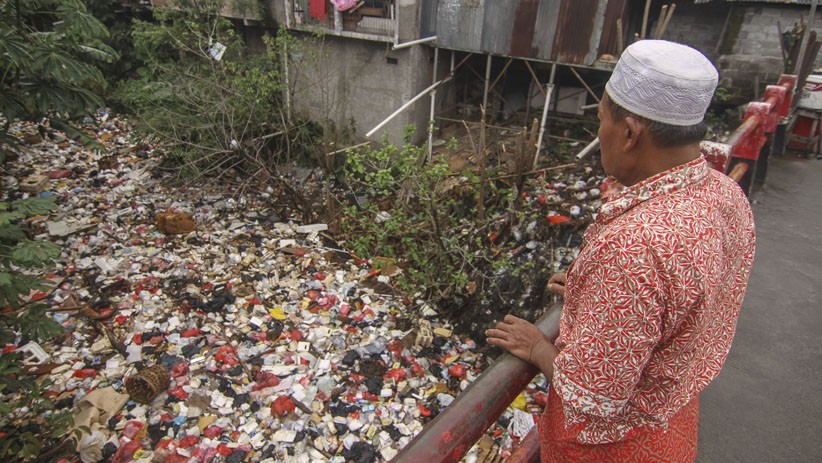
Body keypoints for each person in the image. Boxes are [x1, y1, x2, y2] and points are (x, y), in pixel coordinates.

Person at [486, 40, 755, 462]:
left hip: (615, 449)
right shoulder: (723, 194)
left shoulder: (634, 247)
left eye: (600, 120)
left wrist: (539, 346)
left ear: (629, 133)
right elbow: (677, 306)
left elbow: (590, 394)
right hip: (672, 422)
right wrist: (592, 293)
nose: (598, 134)